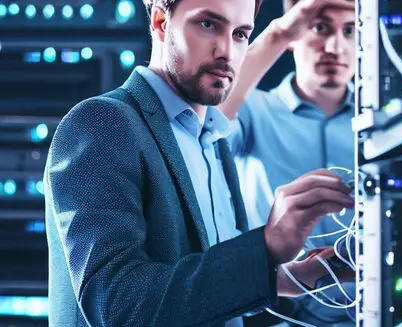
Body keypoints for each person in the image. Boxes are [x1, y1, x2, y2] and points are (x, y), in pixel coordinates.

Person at [43, 0, 355, 326]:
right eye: (208, 25)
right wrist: (266, 245)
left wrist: (292, 277)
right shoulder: (102, 123)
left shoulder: (214, 141)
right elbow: (117, 304)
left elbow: (204, 286)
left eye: (240, 34)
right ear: (161, 22)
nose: (227, 52)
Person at [219, 0, 356, 324]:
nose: (335, 46)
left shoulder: (384, 125)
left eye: (350, 30)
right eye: (320, 28)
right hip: (274, 311)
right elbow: (206, 122)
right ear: (295, 31)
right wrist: (277, 34)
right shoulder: (253, 110)